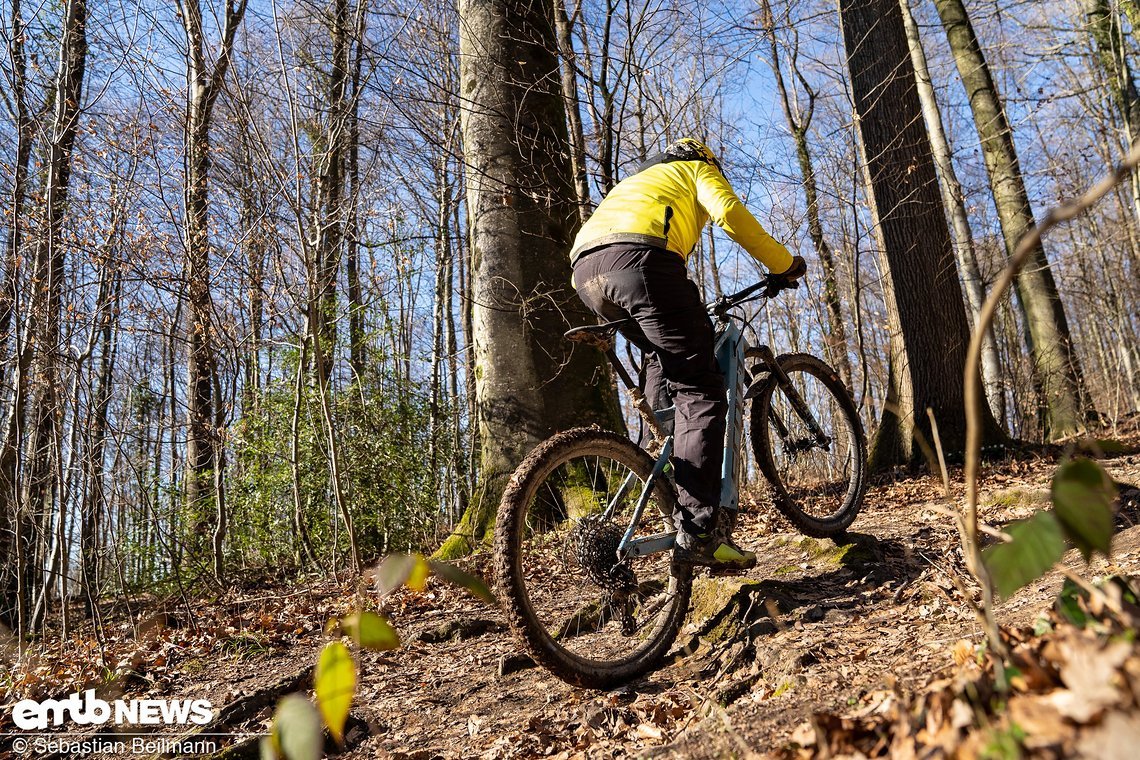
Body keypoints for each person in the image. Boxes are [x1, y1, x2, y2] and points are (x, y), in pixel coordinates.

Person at [569, 137, 806, 571]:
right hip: (641, 261)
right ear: (705, 158)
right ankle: (698, 530)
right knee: (701, 389)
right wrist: (782, 263)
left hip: (585, 272)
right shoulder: (696, 169)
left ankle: (667, 456)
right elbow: (731, 215)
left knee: (665, 361)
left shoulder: (637, 181)